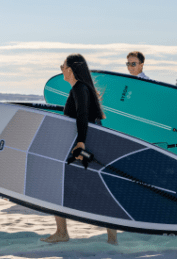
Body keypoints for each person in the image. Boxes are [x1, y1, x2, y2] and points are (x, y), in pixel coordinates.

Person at [40, 54, 118, 245]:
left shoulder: (79, 89)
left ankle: (63, 233)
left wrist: (81, 142)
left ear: (71, 69)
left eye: (62, 67)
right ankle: (111, 238)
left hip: (81, 147)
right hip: (85, 145)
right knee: (97, 191)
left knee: (56, 186)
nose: (61, 70)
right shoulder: (83, 89)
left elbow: (83, 115)